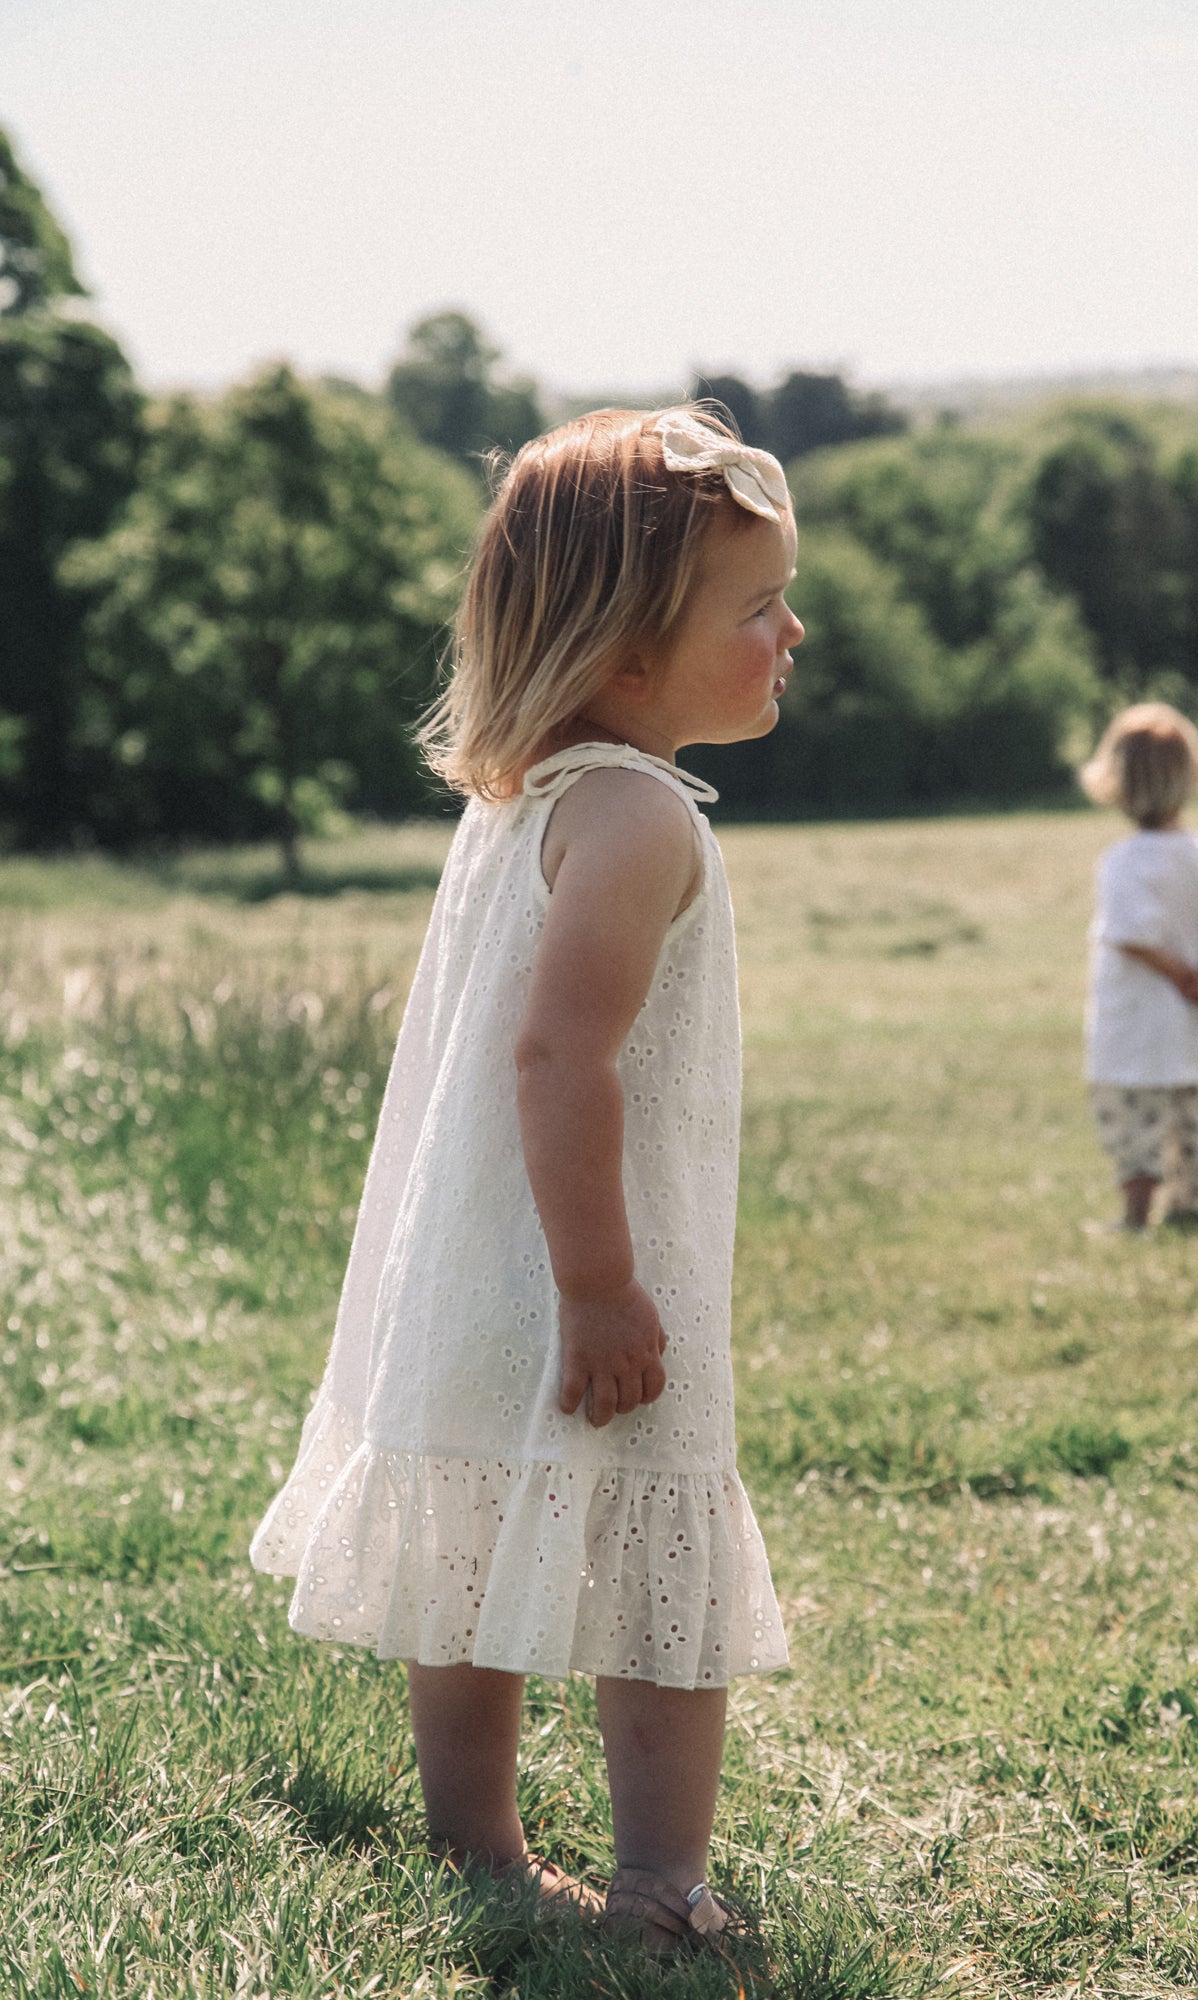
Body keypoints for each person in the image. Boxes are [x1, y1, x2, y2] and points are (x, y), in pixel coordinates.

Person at [250, 406, 799, 1950]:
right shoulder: (630, 816)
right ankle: (658, 1886)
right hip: (589, 1256)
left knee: (469, 1531)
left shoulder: (523, 800)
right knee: (662, 1559)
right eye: (754, 608)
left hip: (477, 1255)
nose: (789, 631)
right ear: (628, 655)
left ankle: (478, 1845)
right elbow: (565, 1061)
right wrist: (605, 1286)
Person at [1080, 701, 1198, 1232]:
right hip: (1187, 1025)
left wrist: (1184, 977)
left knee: (1135, 1122)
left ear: (1118, 783)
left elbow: (1129, 938)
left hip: (1135, 1025)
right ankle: (1188, 1204)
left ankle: (1135, 1216)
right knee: (1186, 1118)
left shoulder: (1125, 860)